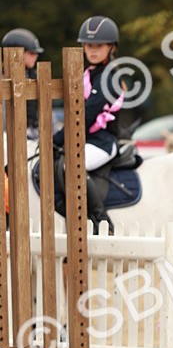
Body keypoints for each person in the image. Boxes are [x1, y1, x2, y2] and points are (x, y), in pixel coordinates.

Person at [53, 15, 124, 233]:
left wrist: (55, 138)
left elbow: (88, 115)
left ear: (110, 46)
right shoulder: (88, 74)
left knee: (71, 166)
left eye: (98, 45)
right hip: (84, 139)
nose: (93, 49)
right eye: (88, 45)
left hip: (103, 142)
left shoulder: (109, 76)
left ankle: (102, 220)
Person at [2, 27, 44, 138]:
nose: (36, 56)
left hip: (33, 136)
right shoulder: (3, 80)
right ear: (16, 53)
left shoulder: (35, 77)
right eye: (31, 53)